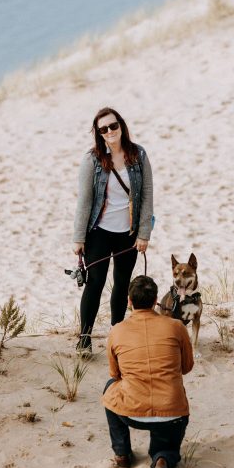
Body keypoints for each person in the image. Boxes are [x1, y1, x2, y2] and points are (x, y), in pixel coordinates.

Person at [72, 107, 154, 354]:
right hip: (99, 231)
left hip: (128, 233)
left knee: (121, 284)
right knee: (94, 283)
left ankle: (116, 335)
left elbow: (147, 195)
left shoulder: (138, 154)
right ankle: (85, 338)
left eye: (113, 126)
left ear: (121, 125)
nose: (110, 131)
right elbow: (84, 200)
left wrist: (143, 233)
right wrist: (78, 237)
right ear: (99, 133)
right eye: (104, 129)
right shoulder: (92, 159)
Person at [102, 276, 194, 468]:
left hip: (131, 413)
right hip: (172, 412)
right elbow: (186, 368)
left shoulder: (117, 330)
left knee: (109, 388)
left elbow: (115, 374)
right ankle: (162, 460)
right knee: (167, 445)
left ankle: (122, 454)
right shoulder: (177, 326)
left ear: (129, 302)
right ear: (155, 302)